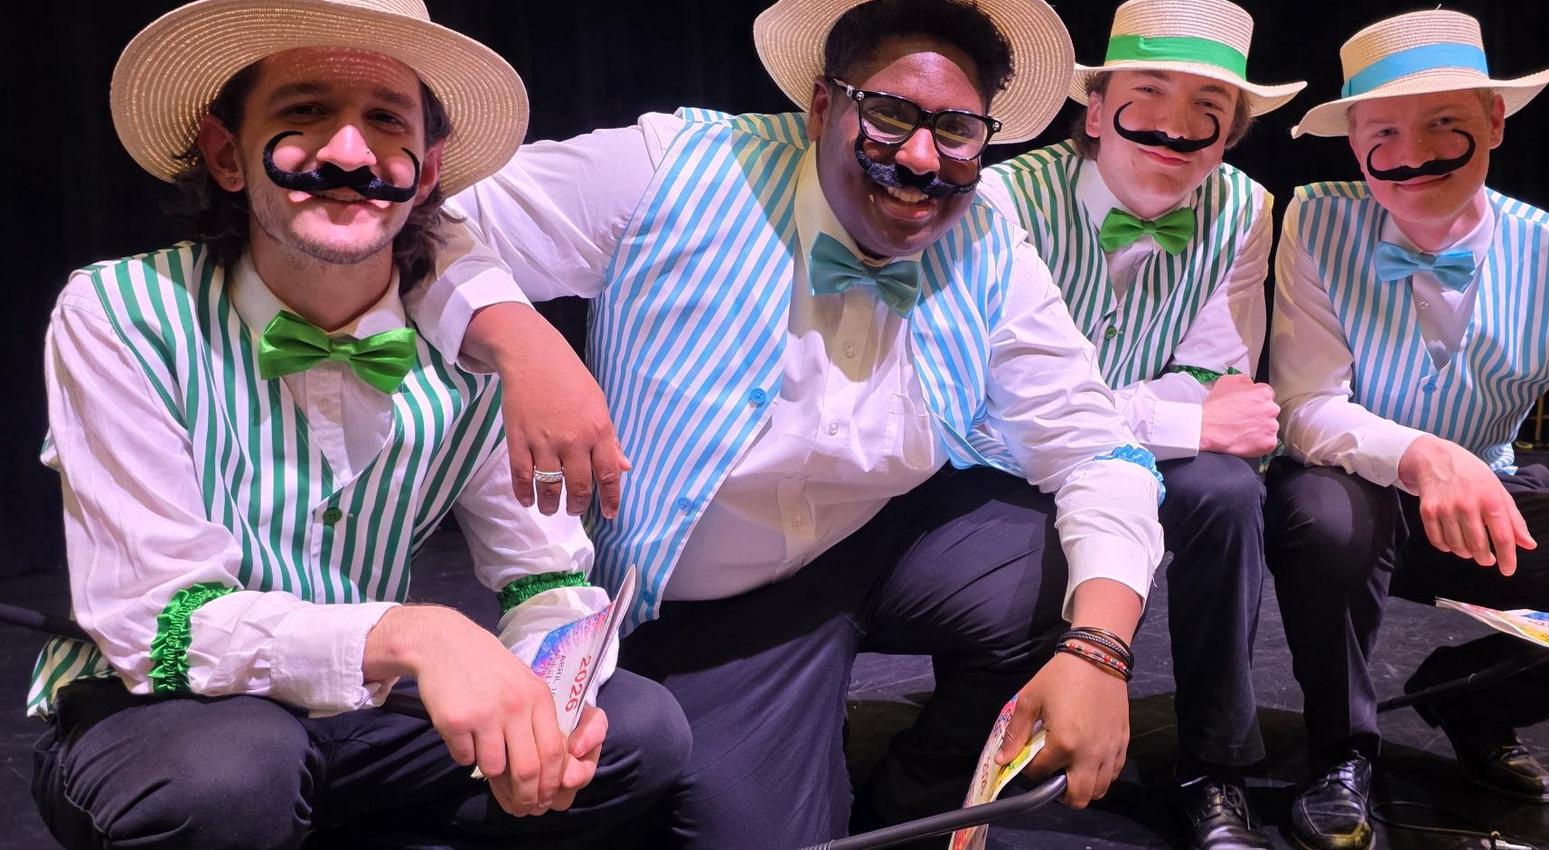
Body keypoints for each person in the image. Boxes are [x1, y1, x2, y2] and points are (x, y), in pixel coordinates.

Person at [407, 0, 1166, 846]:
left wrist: (1099, 651)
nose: (921, 157)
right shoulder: (676, 168)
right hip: (705, 608)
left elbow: (1098, 446)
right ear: (821, 107)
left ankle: (921, 801)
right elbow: (421, 216)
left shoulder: (988, 233)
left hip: (877, 543)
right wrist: (523, 342)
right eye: (888, 114)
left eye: (956, 129)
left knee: (1071, 559)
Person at [26, 2, 689, 847]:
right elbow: (155, 620)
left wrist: (552, 699)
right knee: (232, 773)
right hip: (163, 709)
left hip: (363, 713)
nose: (348, 153)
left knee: (636, 731)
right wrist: (411, 630)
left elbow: (542, 578)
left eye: (384, 121)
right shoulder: (122, 312)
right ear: (227, 154)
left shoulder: (472, 346)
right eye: (303, 113)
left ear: (428, 167)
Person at [1264, 10, 1549, 850]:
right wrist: (1421, 454)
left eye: (1445, 124)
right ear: (1354, 142)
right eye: (1383, 133)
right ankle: (1340, 751)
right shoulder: (1313, 222)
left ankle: (1470, 701)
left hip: (1483, 509)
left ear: (1494, 122)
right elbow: (1305, 407)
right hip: (1349, 495)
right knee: (1324, 512)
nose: (1410, 156)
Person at [975, 1, 1300, 847]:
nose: (1178, 127)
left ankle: (1215, 769)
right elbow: (980, 402)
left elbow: (1215, 380)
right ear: (1094, 107)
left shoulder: (1245, 209)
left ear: (1230, 132)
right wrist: (1169, 417)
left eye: (1210, 109)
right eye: (1150, 91)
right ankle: (991, 742)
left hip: (1143, 459)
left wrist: (1183, 418)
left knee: (1227, 491)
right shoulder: (1001, 199)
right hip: (1008, 460)